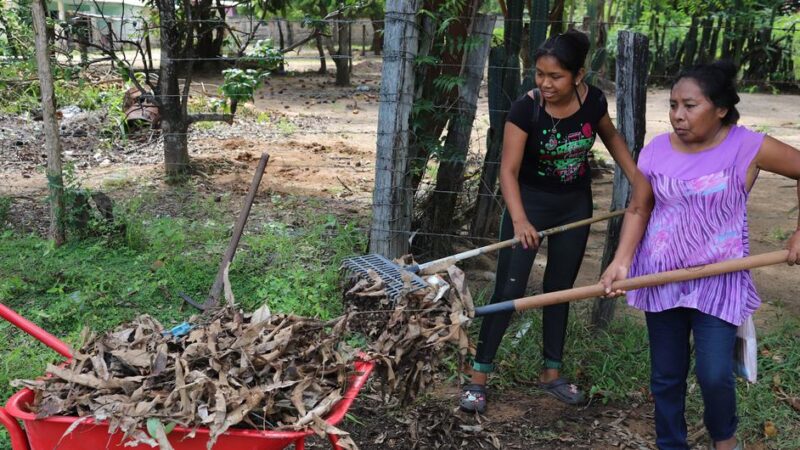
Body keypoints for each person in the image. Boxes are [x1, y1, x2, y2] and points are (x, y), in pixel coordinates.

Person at [600, 60, 800, 450]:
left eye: (690, 106)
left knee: (714, 374)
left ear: (720, 108)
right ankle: (670, 444)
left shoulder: (747, 146)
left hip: (718, 280)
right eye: (673, 105)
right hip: (660, 278)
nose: (678, 116)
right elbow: (640, 208)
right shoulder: (656, 150)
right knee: (666, 376)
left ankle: (724, 439)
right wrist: (621, 261)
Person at [459, 29, 638, 413]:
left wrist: (641, 185)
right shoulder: (527, 108)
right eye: (540, 74)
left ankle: (551, 373)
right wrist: (521, 220)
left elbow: (614, 142)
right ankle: (478, 377)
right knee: (509, 289)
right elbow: (507, 171)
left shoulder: (593, 103)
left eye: (554, 76)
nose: (545, 83)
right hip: (530, 205)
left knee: (560, 288)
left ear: (578, 75)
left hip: (575, 205)